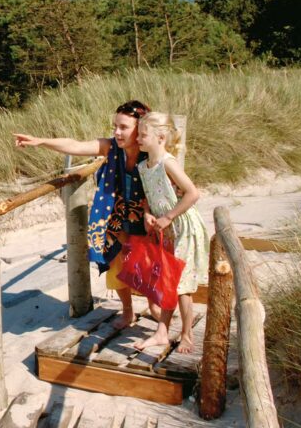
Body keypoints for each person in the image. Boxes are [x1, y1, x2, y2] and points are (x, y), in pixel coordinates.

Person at [14, 100, 161, 328]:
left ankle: (154, 305)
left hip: (146, 215)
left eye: (123, 127)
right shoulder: (112, 147)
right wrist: (40, 141)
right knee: (116, 261)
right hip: (116, 215)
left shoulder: (151, 152)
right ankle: (128, 311)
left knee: (148, 262)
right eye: (115, 126)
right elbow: (75, 145)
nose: (116, 132)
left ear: (141, 129)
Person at [133, 111, 209, 353]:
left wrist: (168, 216)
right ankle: (162, 333)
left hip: (183, 226)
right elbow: (149, 196)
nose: (138, 139)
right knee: (168, 280)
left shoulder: (168, 162)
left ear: (161, 137)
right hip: (166, 229)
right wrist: (147, 213)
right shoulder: (144, 166)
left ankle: (186, 335)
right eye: (139, 134)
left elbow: (192, 193)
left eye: (143, 135)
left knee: (183, 285)